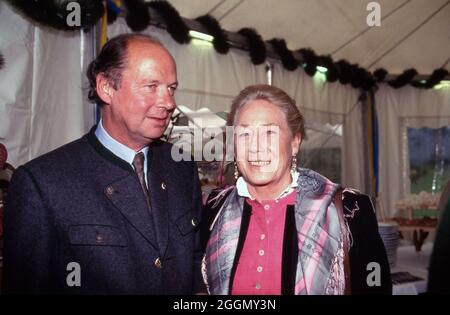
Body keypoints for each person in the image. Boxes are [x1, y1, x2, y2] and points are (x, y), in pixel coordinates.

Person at [3, 34, 205, 294]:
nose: (169, 103)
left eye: (171, 88)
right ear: (106, 88)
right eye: (151, 86)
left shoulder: (180, 167)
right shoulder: (42, 183)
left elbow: (195, 257)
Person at [202, 84, 392, 295]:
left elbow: (376, 285)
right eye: (244, 135)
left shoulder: (350, 210)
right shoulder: (212, 210)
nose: (255, 146)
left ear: (294, 142)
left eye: (269, 133)